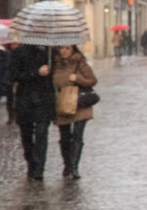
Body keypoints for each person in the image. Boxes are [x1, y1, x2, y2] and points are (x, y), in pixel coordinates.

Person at [9, 42, 57, 181]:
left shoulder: (50, 52)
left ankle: (40, 167)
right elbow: (14, 76)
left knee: (42, 133)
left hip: (45, 98)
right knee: (26, 134)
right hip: (26, 98)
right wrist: (36, 73)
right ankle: (31, 162)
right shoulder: (19, 52)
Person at [52, 44, 97, 179]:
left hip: (79, 104)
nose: (64, 51)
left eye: (67, 48)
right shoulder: (54, 64)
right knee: (65, 137)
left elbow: (93, 80)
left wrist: (78, 79)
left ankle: (74, 167)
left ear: (73, 49)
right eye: (62, 48)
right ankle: (67, 164)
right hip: (62, 103)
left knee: (77, 135)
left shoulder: (80, 63)